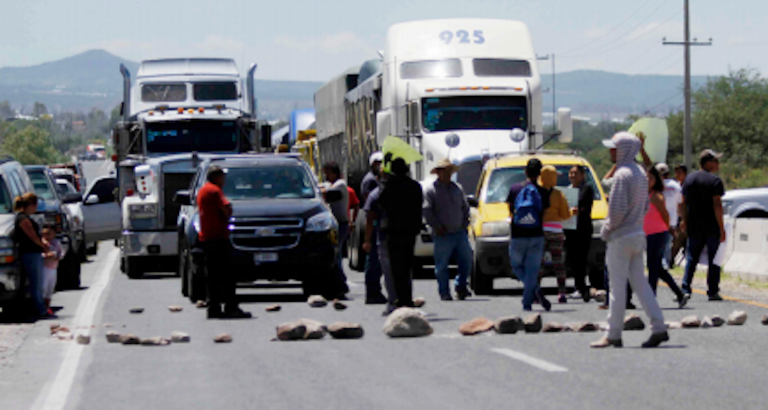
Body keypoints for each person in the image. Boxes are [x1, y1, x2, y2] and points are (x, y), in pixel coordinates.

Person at [591, 132, 668, 348]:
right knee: (641, 285)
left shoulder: (622, 175)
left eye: (614, 148)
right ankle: (658, 326)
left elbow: (615, 211)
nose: (611, 151)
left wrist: (605, 231)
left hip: (621, 236)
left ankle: (613, 333)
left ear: (623, 150)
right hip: (637, 233)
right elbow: (644, 206)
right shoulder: (641, 173)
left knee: (616, 288)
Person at [198, 166, 251, 319]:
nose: (224, 180)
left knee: (212, 276)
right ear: (216, 177)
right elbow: (226, 207)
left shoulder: (203, 190)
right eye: (222, 176)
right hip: (217, 238)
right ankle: (231, 306)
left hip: (207, 238)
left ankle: (213, 307)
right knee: (226, 275)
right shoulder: (214, 191)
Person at [423, 158, 473, 301]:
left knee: (467, 260)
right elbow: (427, 211)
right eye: (444, 171)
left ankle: (461, 286)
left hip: (459, 232)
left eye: (449, 171)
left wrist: (464, 223)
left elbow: (465, 207)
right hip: (442, 234)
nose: (447, 174)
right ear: (438, 172)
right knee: (442, 265)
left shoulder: (458, 188)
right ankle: (444, 291)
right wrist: (437, 227)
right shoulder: (431, 190)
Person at [377, 157, 423, 311]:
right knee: (407, 265)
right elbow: (418, 207)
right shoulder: (415, 186)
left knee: (397, 268)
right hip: (409, 231)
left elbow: (380, 203)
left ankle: (399, 299)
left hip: (394, 231)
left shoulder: (390, 186)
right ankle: (407, 298)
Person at [680, 149, 726, 301]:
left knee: (691, 258)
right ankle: (712, 291)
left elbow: (682, 203)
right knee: (714, 260)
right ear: (708, 162)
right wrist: (721, 227)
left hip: (694, 225)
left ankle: (685, 288)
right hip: (711, 226)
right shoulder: (715, 181)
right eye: (715, 161)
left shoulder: (689, 179)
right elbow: (717, 205)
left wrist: (684, 221)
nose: (718, 164)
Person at [507, 158, 551, 312]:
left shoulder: (514, 189)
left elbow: (511, 212)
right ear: (539, 174)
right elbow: (543, 216)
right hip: (536, 235)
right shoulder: (544, 192)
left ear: (525, 171)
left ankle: (534, 287)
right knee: (533, 270)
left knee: (516, 266)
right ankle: (528, 300)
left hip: (518, 235)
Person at [645, 166, 688, 308]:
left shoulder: (656, 196)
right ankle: (680, 294)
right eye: (646, 177)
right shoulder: (646, 194)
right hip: (649, 234)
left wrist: (669, 229)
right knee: (657, 268)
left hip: (658, 233)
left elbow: (665, 215)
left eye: (650, 178)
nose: (647, 180)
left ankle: (651, 298)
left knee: (653, 267)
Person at [14, 193, 52, 319]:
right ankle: (40, 309)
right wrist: (43, 245)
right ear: (31, 205)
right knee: (36, 283)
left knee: (36, 282)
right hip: (30, 254)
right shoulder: (23, 219)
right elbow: (32, 236)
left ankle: (38, 307)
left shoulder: (27, 218)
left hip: (33, 253)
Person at [363, 178, 398, 314]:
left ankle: (393, 301)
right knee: (393, 270)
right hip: (392, 237)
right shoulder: (378, 194)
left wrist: (367, 240)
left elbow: (369, 219)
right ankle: (376, 294)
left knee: (389, 271)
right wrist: (367, 240)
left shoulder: (376, 194)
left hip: (387, 236)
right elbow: (370, 219)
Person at [538, 165, 572, 303]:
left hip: (540, 232)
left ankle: (536, 292)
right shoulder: (558, 194)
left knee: (539, 264)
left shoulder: (536, 192)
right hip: (556, 232)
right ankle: (562, 292)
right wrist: (572, 212)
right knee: (559, 263)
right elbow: (564, 215)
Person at [565, 165, 596, 302]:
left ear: (582, 175)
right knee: (572, 259)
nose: (572, 175)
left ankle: (582, 288)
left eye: (575, 173)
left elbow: (581, 204)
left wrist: (575, 208)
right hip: (570, 229)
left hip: (582, 229)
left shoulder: (587, 188)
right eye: (571, 173)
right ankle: (578, 287)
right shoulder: (567, 190)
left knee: (581, 259)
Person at [322, 162, 350, 298]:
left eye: (328, 172)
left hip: (341, 223)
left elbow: (326, 191)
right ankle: (340, 283)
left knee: (336, 254)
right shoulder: (332, 184)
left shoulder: (340, 184)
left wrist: (320, 187)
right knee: (335, 254)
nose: (326, 176)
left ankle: (341, 285)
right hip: (333, 224)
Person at [362, 152, 386, 304]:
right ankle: (372, 292)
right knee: (373, 262)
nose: (380, 165)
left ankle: (375, 291)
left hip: (378, 224)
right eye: (378, 162)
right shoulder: (371, 181)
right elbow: (370, 207)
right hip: (375, 224)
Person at [655, 163, 683, 269]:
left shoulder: (655, 186)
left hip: (657, 220)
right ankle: (665, 265)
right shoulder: (676, 186)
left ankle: (661, 265)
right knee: (667, 244)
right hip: (672, 220)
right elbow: (680, 203)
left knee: (657, 245)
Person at [41, 226, 63, 314]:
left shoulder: (56, 243)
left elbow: (61, 253)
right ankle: (43, 308)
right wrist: (45, 255)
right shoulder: (42, 243)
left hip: (53, 268)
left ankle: (48, 306)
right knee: (44, 288)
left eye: (49, 234)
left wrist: (57, 256)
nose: (47, 236)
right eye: (44, 234)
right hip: (44, 268)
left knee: (50, 288)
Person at [671, 164, 689, 265]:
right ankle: (671, 259)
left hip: (685, 216)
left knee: (679, 239)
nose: (677, 174)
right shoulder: (676, 186)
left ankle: (671, 259)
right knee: (676, 240)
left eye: (679, 172)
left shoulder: (687, 186)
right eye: (676, 172)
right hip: (676, 216)